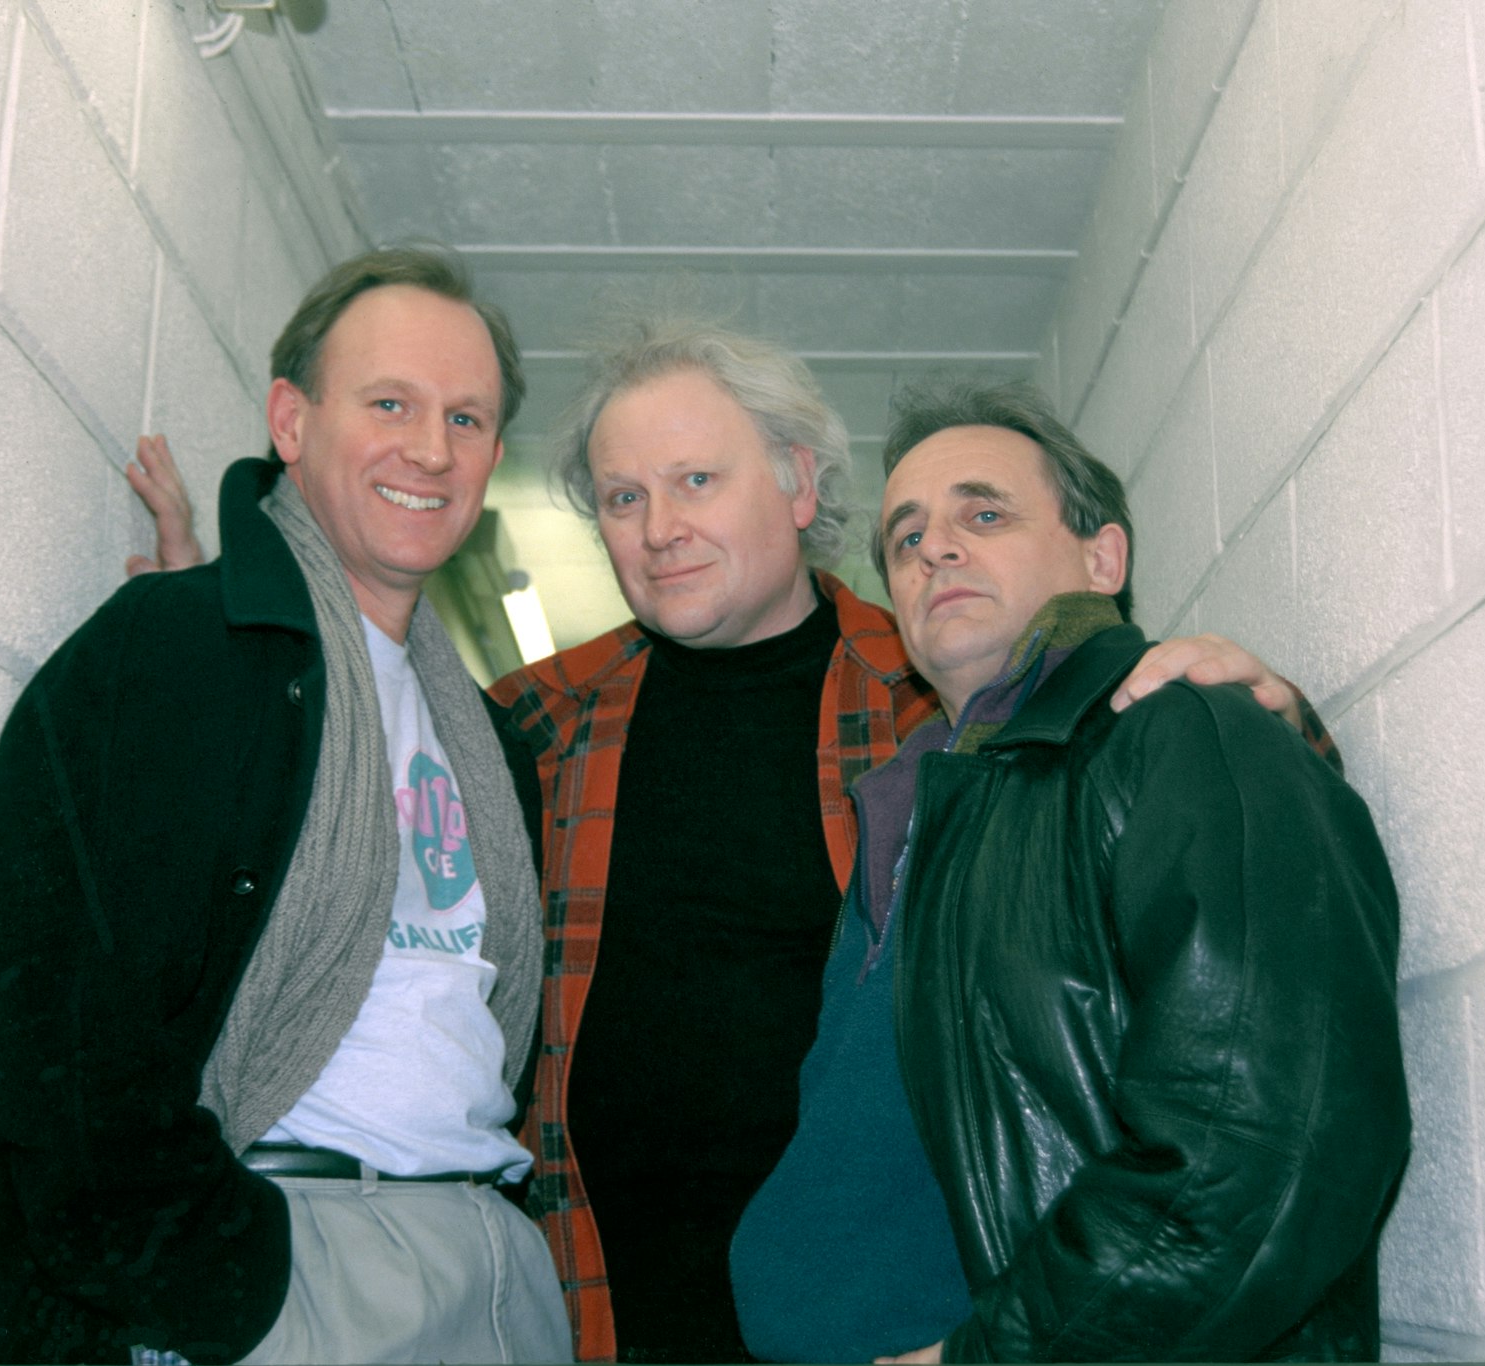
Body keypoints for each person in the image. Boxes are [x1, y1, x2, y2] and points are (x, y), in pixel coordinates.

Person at [126, 320, 1335, 1363]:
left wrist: (1261, 708)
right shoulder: (531, 723)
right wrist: (247, 673)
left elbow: (1151, 823)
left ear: (801, 488)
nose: (658, 528)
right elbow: (354, 795)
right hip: (596, 1306)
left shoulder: (939, 696)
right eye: (621, 496)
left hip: (895, 1321)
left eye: (697, 481)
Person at [0, 246, 572, 1365]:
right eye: (390, 402)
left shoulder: (490, 746)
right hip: (294, 1276)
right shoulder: (172, 652)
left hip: (488, 1271)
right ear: (290, 419)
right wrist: (229, 1288)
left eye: (469, 419)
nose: (431, 449)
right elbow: (51, 1025)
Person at [731, 380, 1410, 1363]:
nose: (934, 549)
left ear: (1102, 556)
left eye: (984, 512)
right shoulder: (918, 804)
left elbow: (1260, 1143)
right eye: (903, 538)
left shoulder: (1182, 730)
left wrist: (997, 1355)